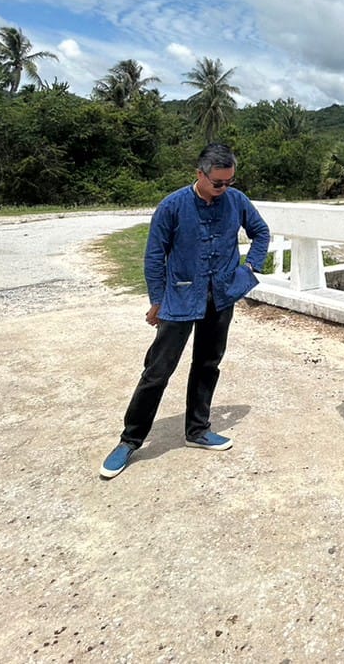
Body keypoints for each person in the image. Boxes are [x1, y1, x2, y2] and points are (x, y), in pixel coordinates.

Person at [100, 143, 270, 480]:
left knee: (208, 363)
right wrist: (157, 300)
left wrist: (250, 268)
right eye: (217, 183)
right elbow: (154, 255)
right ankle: (130, 440)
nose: (224, 189)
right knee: (158, 370)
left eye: (230, 182)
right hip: (180, 299)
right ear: (200, 174)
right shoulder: (172, 206)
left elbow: (261, 231)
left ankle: (197, 430)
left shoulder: (236, 201)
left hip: (220, 297)